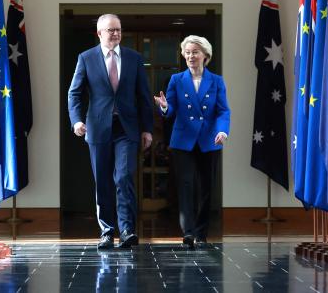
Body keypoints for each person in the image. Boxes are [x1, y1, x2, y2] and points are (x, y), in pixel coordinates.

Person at [68, 14, 153, 249]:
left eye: (118, 29)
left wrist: (147, 129)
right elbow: (74, 93)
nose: (115, 34)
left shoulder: (134, 58)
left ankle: (127, 230)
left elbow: (144, 96)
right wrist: (76, 121)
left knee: (124, 176)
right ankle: (106, 231)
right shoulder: (86, 58)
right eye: (110, 30)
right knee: (103, 180)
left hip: (127, 128)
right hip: (97, 128)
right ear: (99, 33)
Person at [154, 35, 230, 249]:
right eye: (187, 53)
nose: (190, 56)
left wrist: (222, 131)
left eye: (194, 52)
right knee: (186, 186)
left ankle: (201, 233)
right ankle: (187, 232)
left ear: (205, 55)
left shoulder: (216, 81)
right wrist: (164, 107)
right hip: (183, 140)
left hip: (209, 140)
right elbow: (170, 111)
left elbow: (223, 111)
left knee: (206, 187)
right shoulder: (177, 80)